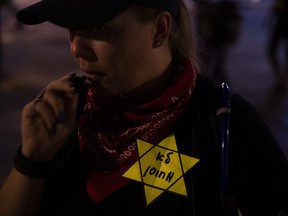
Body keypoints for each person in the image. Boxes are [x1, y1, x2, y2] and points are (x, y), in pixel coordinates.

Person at [0, 0, 287, 215]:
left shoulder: (227, 124)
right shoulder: (66, 114)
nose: (77, 48)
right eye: (73, 29)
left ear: (160, 29)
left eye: (98, 27)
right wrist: (33, 158)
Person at [265, 0, 288, 91]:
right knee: (271, 51)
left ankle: (282, 80)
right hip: (280, 24)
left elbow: (276, 8)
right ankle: (281, 79)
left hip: (281, 24)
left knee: (272, 50)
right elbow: (276, 8)